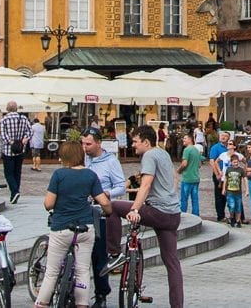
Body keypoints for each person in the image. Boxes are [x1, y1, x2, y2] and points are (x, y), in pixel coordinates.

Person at [104, 125, 184, 308]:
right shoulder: (162, 153)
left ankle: (114, 252)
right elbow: (174, 179)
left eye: (135, 141)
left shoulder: (149, 155)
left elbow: (146, 185)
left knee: (113, 206)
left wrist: (134, 209)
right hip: (173, 214)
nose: (133, 145)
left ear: (146, 142)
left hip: (158, 212)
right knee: (172, 263)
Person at [33, 140, 112, 308]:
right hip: (85, 228)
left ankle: (42, 304)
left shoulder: (59, 175)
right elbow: (103, 201)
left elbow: (48, 204)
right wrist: (109, 210)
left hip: (61, 228)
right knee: (83, 270)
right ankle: (82, 305)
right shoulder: (90, 175)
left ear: (63, 157)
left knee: (52, 272)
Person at [82, 127, 127, 308]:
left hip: (99, 210)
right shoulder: (83, 158)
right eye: (83, 144)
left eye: (89, 144)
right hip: (81, 210)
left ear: (99, 143)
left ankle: (101, 295)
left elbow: (121, 187)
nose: (85, 147)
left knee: (99, 255)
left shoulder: (111, 161)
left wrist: (105, 193)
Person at [0, 101, 31, 205]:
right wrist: (24, 139)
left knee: (8, 173)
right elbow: (30, 131)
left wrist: (11, 142)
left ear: (7, 109)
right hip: (20, 148)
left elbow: (3, 135)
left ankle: (15, 191)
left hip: (8, 150)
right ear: (16, 108)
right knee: (17, 171)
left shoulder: (4, 120)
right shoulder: (24, 118)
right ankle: (14, 193)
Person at [177, 133, 203, 217]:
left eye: (185, 138)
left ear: (190, 140)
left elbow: (184, 164)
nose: (183, 140)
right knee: (195, 199)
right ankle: (196, 216)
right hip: (196, 178)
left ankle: (182, 216)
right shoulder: (196, 150)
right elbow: (199, 165)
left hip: (187, 178)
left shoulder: (187, 150)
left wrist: (179, 170)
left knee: (184, 199)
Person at [208, 130, 231, 222]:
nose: (223, 137)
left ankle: (232, 214)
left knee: (227, 195)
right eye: (222, 135)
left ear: (229, 138)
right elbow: (212, 161)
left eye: (225, 136)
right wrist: (217, 173)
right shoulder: (215, 147)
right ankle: (220, 215)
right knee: (219, 195)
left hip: (228, 174)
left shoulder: (229, 148)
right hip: (219, 174)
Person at [224, 152, 247, 227]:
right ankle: (232, 217)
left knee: (238, 207)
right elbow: (226, 179)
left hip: (238, 191)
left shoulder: (241, 170)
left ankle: (238, 221)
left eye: (237, 162)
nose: (236, 163)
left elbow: (245, 179)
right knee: (232, 206)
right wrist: (224, 189)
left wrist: (247, 190)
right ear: (231, 162)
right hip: (230, 191)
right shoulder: (229, 169)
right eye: (234, 162)